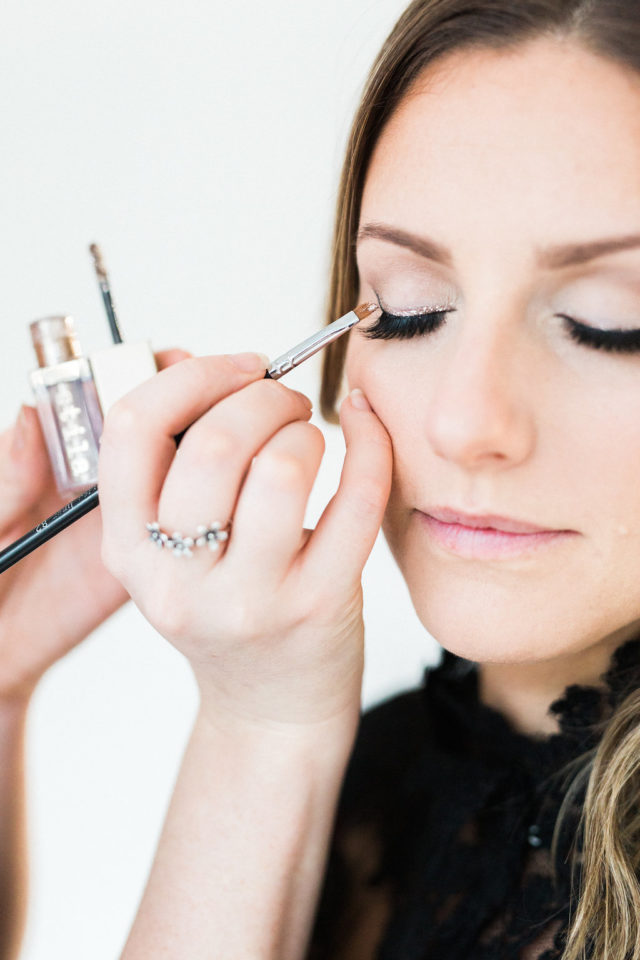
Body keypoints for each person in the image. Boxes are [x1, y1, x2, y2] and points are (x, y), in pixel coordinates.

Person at [5, 1, 640, 958]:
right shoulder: (389, 789)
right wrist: (264, 719)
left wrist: (258, 733)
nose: (465, 421)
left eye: (608, 324)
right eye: (410, 309)